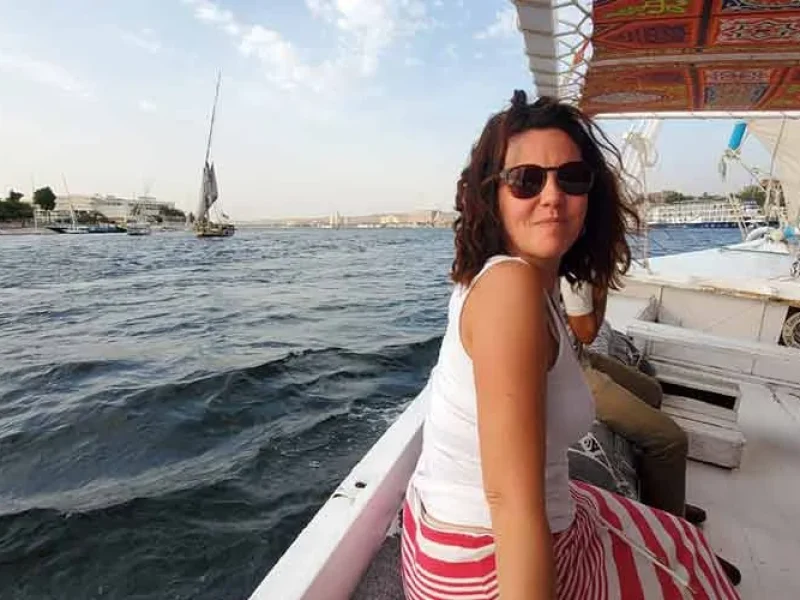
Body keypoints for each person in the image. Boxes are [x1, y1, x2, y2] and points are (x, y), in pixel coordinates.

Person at [401, 91, 740, 599]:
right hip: (485, 565)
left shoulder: (526, 281)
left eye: (572, 177)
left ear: (590, 193)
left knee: (682, 542)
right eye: (526, 179)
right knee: (692, 569)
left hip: (450, 531)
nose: (552, 196)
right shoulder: (510, 289)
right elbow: (510, 502)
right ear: (492, 195)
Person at [560, 277, 742, 585]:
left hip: (577, 355)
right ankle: (675, 543)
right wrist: (597, 281)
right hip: (565, 372)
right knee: (670, 440)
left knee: (651, 391)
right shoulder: (575, 268)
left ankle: (663, 496)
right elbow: (588, 331)